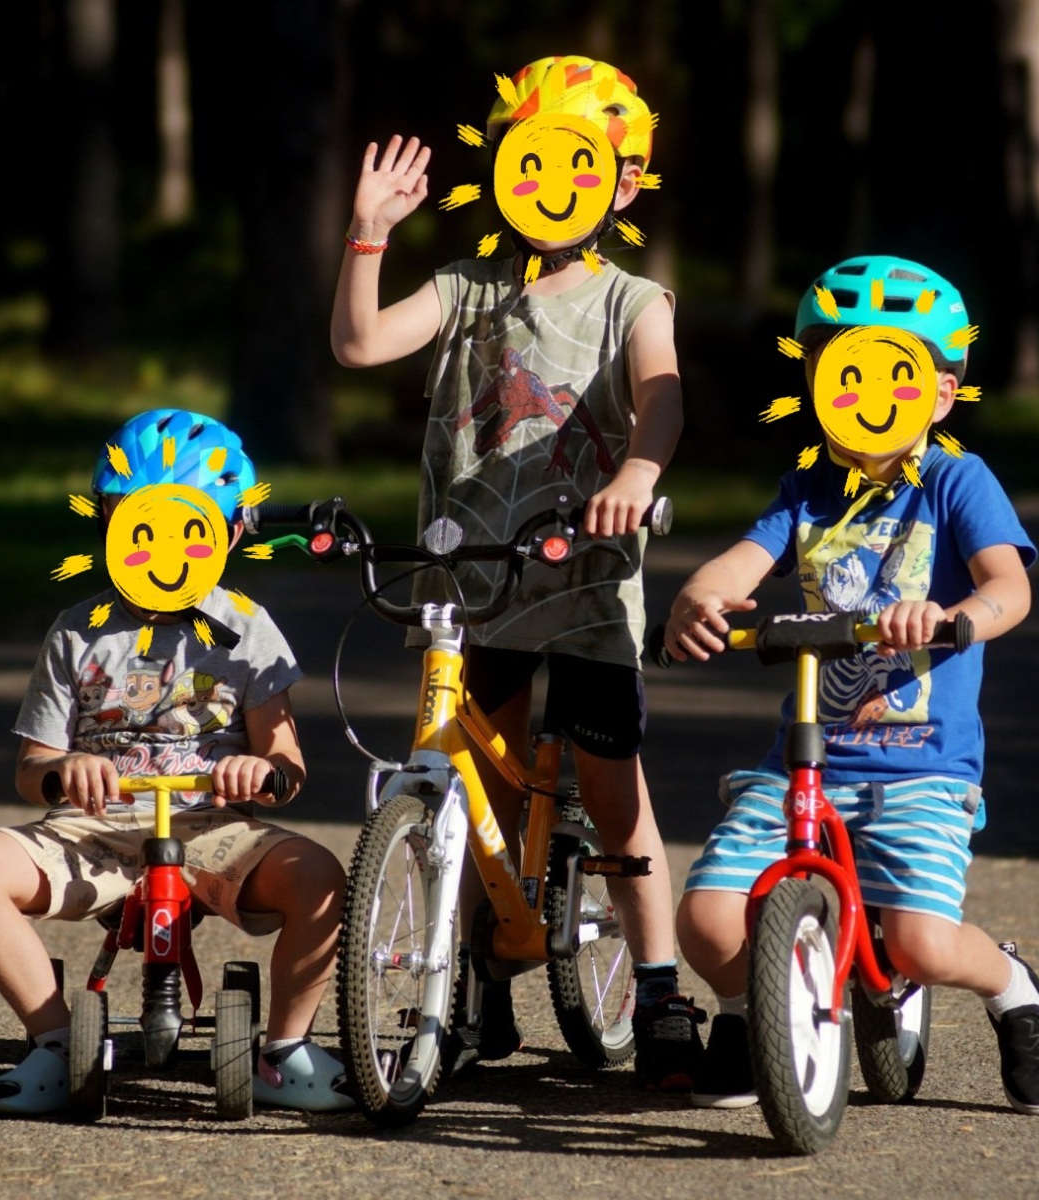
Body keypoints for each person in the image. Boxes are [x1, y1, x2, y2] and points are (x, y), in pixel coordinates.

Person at [330, 55, 702, 1089]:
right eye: (528, 161)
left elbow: (663, 394)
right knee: (472, 789)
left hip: (582, 583)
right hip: (472, 584)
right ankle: (472, 980)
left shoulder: (634, 299)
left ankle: (658, 987)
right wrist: (368, 233)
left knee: (612, 791)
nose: (549, 185)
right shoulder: (466, 289)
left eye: (577, 164)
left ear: (625, 182)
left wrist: (638, 470)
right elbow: (360, 344)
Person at [664, 256, 1039, 1114]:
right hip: (807, 762)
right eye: (842, 374)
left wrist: (954, 616)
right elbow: (742, 560)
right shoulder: (807, 491)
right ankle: (745, 1012)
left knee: (922, 946)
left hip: (922, 766)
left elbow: (1010, 586)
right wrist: (701, 595)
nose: (867, 396)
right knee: (705, 918)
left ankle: (1011, 988)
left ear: (940, 393)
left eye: (894, 374)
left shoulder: (956, 481)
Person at [0, 409, 353, 1115]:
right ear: (110, 525)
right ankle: (53, 1042)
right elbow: (31, 768)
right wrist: (64, 770)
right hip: (94, 830)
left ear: (229, 533)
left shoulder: (247, 629)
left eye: (187, 529)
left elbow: (287, 759)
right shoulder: (78, 632)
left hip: (211, 827)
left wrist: (261, 774)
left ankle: (284, 1051)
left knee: (321, 878)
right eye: (139, 526)